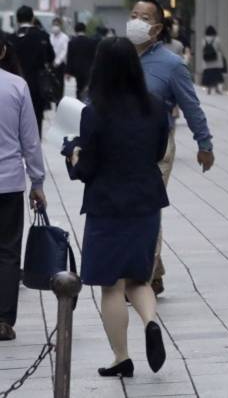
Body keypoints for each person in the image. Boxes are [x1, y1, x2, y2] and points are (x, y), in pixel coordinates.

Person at [67, 39, 172, 377]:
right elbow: (158, 152)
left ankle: (121, 357)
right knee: (138, 278)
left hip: (107, 205)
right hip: (146, 201)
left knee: (111, 285)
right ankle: (151, 322)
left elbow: (88, 168)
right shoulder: (156, 107)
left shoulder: (94, 112)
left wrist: (73, 156)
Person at [129, 0, 214, 298]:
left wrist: (204, 143)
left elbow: (191, 106)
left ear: (157, 28)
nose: (136, 22)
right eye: (133, 15)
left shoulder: (171, 64)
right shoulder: (119, 57)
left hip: (157, 147)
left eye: (144, 18)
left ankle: (140, 277)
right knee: (131, 208)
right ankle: (155, 271)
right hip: (121, 146)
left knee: (147, 208)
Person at [0, 36, 47, 341]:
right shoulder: (16, 86)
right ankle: (3, 320)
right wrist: (37, 181)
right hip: (8, 182)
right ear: (3, 50)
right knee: (6, 251)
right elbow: (30, 140)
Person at [10, 7, 53, 131]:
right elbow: (51, 57)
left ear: (17, 20)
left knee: (16, 120)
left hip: (14, 85)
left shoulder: (10, 39)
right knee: (36, 118)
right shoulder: (42, 36)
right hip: (37, 85)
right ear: (32, 18)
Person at [64, 24, 99, 96]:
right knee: (87, 86)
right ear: (85, 30)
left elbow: (70, 57)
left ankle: (79, 100)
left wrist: (68, 72)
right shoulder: (91, 42)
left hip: (77, 68)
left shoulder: (72, 42)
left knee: (79, 87)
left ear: (75, 30)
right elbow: (94, 56)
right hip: (88, 68)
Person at [199, 26, 226, 95]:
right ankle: (217, 89)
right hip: (216, 60)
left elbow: (203, 48)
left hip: (207, 60)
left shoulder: (203, 39)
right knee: (216, 75)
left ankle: (209, 89)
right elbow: (220, 48)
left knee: (208, 75)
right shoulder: (217, 39)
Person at [48, 19, 69, 93]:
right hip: (51, 63)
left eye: (57, 25)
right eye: (54, 25)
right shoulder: (49, 37)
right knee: (51, 82)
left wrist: (58, 61)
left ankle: (59, 99)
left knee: (60, 83)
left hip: (60, 64)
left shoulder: (64, 37)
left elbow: (64, 50)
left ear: (60, 26)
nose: (55, 27)